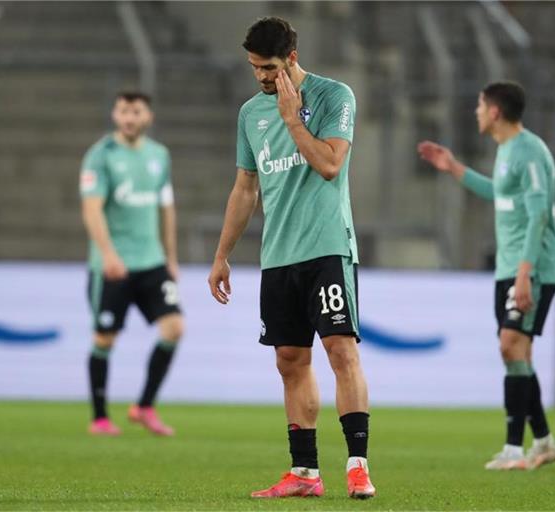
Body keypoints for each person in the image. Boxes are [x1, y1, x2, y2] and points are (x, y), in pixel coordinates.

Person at [207, 17, 376, 499]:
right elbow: (245, 187)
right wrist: (222, 254)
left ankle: (358, 466)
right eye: (254, 67)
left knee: (341, 350)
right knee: (289, 360)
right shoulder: (248, 115)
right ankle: (304, 474)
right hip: (278, 254)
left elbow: (328, 164)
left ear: (293, 58)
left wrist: (289, 118)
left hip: (326, 246)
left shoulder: (333, 96)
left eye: (269, 66)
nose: (261, 76)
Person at [417, 81, 555, 470]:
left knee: (509, 346)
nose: (477, 112)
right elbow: (499, 193)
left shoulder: (530, 152)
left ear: (495, 111)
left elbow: (537, 214)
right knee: (517, 352)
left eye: (481, 105)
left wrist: (525, 272)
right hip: (510, 267)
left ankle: (515, 448)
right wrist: (453, 168)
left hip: (530, 268)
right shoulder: (507, 151)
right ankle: (543, 441)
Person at [80, 91, 183, 437]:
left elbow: (166, 208)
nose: (129, 117)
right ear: (115, 114)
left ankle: (144, 406)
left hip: (151, 261)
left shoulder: (159, 156)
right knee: (105, 338)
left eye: (135, 111)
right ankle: (100, 418)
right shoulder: (101, 156)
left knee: (174, 328)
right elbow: (92, 209)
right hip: (114, 265)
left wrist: (170, 257)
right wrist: (108, 254)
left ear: (148, 117)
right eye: (123, 110)